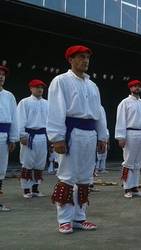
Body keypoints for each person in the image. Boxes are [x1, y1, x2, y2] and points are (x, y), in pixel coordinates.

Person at [47, 45, 108, 234]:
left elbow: (99, 112)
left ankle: (79, 218)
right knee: (67, 176)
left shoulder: (92, 85)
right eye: (81, 57)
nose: (85, 60)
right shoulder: (61, 81)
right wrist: (57, 138)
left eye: (87, 57)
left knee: (84, 178)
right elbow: (56, 110)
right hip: (72, 133)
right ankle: (64, 219)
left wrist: (102, 136)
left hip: (90, 133)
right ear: (70, 60)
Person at [115, 80, 141, 198]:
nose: (137, 88)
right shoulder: (125, 102)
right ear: (130, 88)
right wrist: (120, 137)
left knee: (138, 162)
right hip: (130, 133)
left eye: (139, 86)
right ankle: (127, 188)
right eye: (134, 86)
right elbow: (120, 120)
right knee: (128, 161)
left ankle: (135, 187)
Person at [17, 79, 49, 198]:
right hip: (29, 136)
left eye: (41, 87)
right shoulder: (24, 102)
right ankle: (26, 189)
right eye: (37, 87)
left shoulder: (47, 103)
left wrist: (50, 138)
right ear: (31, 88)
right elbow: (20, 119)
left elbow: (50, 122)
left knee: (40, 163)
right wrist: (22, 135)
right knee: (27, 162)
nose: (40, 89)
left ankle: (35, 189)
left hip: (42, 135)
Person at [0, 65, 16, 212]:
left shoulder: (9, 96)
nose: (1, 76)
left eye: (3, 75)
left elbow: (14, 118)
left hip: (3, 136)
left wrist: (13, 138)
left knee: (0, 169)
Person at [95, 106, 109, 174]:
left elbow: (107, 138)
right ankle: (96, 168)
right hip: (98, 143)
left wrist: (107, 144)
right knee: (98, 157)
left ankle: (102, 168)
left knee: (103, 157)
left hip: (104, 143)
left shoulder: (106, 130)